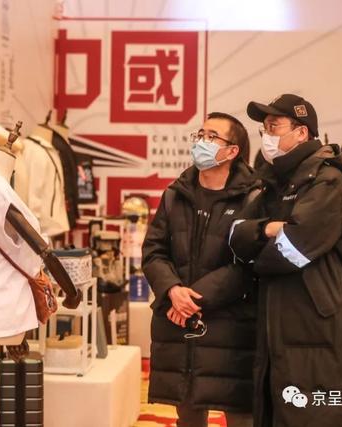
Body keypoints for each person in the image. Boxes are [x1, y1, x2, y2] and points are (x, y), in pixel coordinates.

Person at [229, 94, 342, 427]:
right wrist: (268, 229)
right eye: (264, 128)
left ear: (301, 132)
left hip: (318, 324)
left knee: (319, 413)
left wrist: (259, 250)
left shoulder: (327, 180)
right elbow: (235, 235)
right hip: (278, 318)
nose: (267, 135)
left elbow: (292, 249)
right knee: (279, 410)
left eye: (274, 126)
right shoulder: (271, 181)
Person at [142, 112, 259, 427]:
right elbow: (153, 251)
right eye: (200, 135)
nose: (201, 142)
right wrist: (172, 290)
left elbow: (248, 264)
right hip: (179, 324)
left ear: (232, 150)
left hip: (231, 325)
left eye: (211, 137)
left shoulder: (253, 197)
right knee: (188, 414)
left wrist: (192, 298)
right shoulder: (175, 194)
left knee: (241, 416)